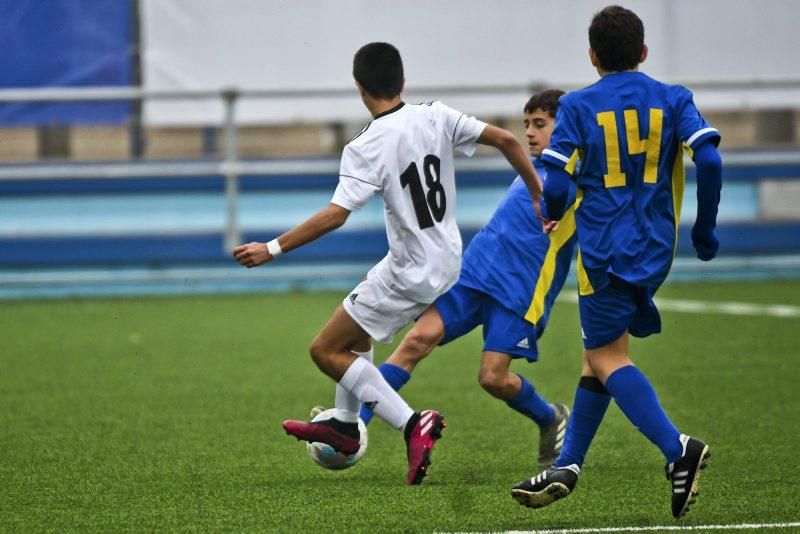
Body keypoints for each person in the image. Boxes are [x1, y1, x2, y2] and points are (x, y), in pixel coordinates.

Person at [233, 42, 546, 485]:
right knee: (356, 329)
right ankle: (343, 422)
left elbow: (336, 214)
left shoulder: (366, 145)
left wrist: (273, 248)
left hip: (410, 270)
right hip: (448, 259)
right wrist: (536, 192)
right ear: (402, 81)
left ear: (360, 88)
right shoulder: (435, 114)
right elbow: (508, 140)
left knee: (325, 350)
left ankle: (410, 422)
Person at [511, 6, 722, 519]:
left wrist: (555, 213)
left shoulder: (579, 106)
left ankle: (679, 450)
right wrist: (704, 226)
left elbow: (557, 180)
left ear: (592, 55)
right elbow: (710, 159)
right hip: (655, 247)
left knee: (608, 359)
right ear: (644, 51)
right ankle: (569, 464)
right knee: (599, 356)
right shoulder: (674, 98)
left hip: (605, 252)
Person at [353, 90, 576, 470]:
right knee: (416, 341)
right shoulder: (532, 167)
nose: (530, 134)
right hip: (473, 273)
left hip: (519, 291)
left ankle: (549, 417)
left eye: (540, 124)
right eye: (527, 125)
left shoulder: (580, 180)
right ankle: (354, 426)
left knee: (492, 378)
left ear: (567, 129)